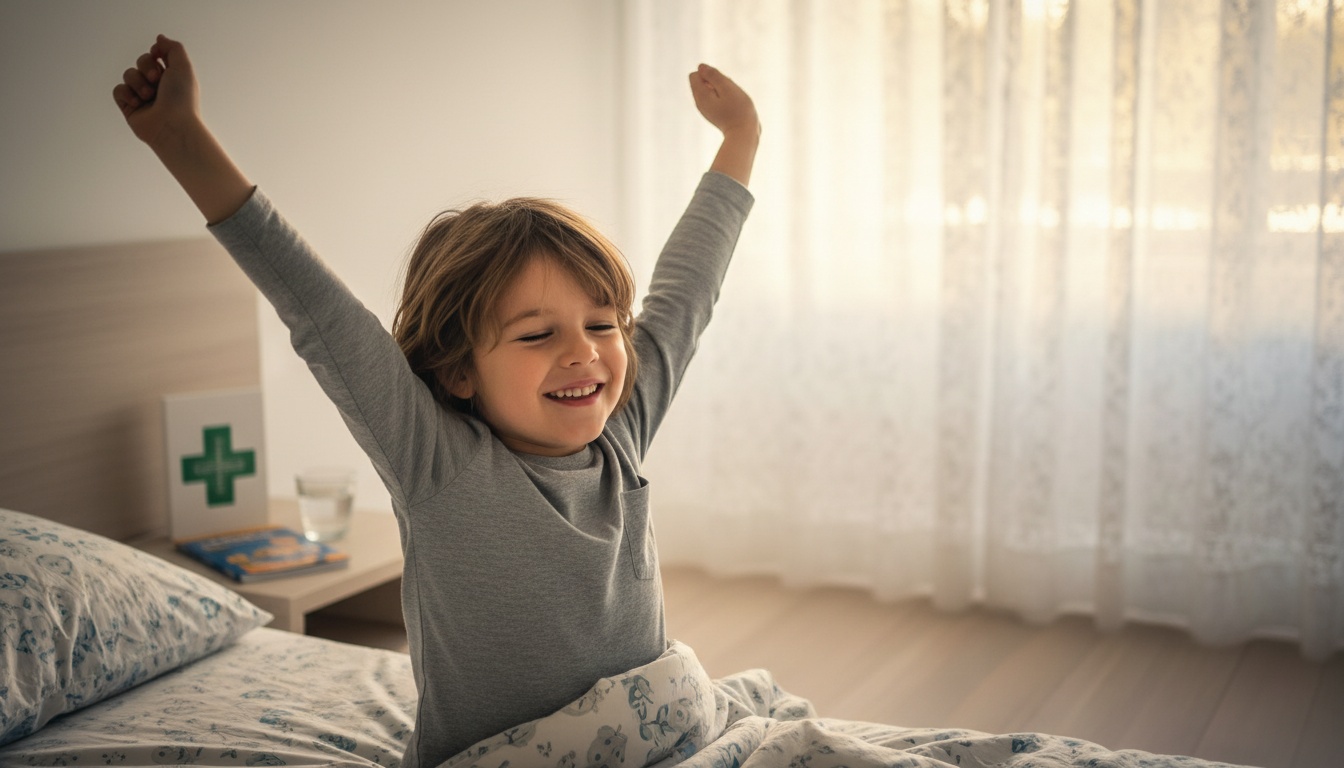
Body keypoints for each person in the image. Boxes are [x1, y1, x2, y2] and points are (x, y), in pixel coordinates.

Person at [113, 34, 759, 768]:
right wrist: (181, 138)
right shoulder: (438, 468)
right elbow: (322, 315)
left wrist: (741, 138)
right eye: (537, 334)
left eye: (602, 324)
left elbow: (688, 290)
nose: (583, 351)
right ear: (458, 371)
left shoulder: (621, 434)